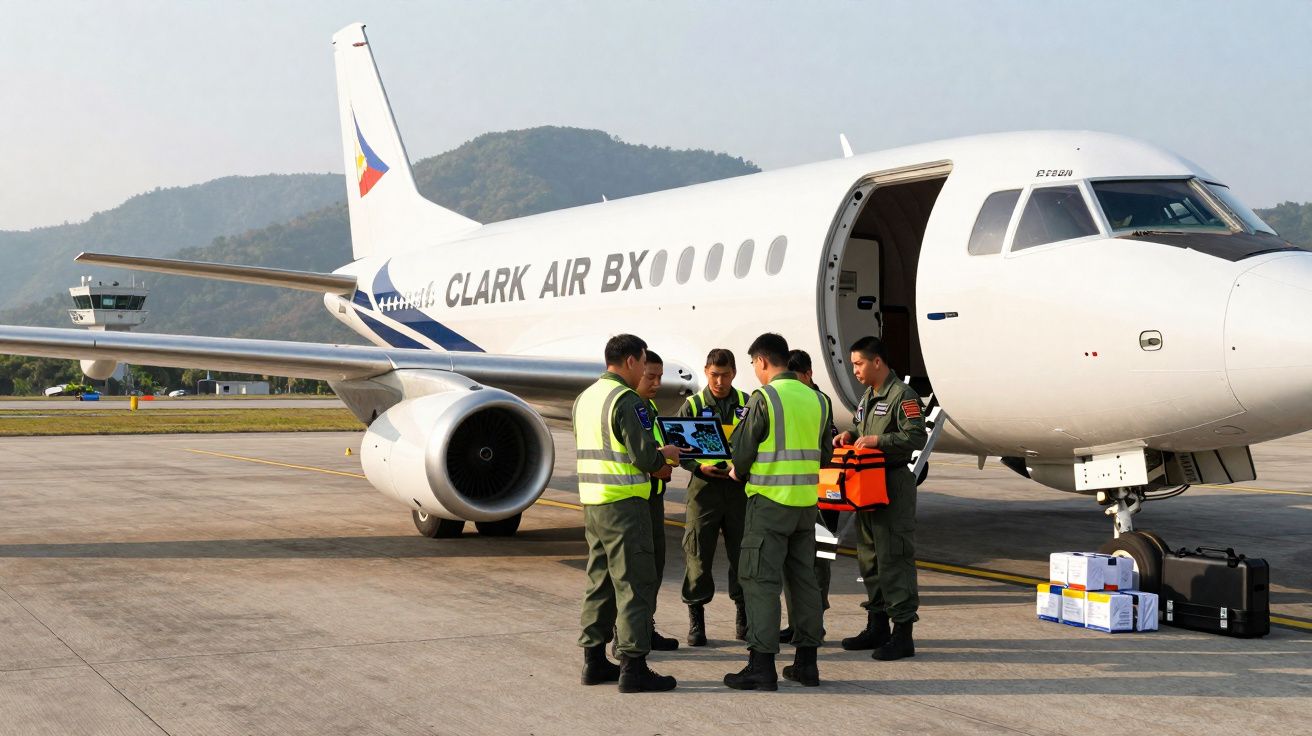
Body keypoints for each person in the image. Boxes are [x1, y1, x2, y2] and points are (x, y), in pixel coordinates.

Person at [573, 334, 684, 692]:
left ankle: (593, 661)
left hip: (594, 503)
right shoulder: (626, 400)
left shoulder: (585, 398)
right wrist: (664, 456)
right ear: (633, 361)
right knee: (634, 584)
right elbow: (643, 456)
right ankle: (634, 667)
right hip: (625, 504)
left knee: (599, 581)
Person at [723, 333, 832, 690]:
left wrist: (740, 469)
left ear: (763, 361)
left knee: (760, 582)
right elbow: (826, 455)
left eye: (754, 364)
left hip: (770, 503)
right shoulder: (818, 400)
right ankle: (807, 664)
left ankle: (762, 665)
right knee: (804, 583)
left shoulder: (765, 398)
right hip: (805, 506)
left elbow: (742, 452)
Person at [834, 335, 927, 661]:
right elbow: (862, 430)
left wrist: (879, 440)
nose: (854, 369)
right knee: (870, 556)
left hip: (892, 484)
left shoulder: (903, 396)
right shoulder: (868, 397)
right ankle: (877, 625)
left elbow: (916, 435)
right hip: (867, 485)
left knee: (895, 556)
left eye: (858, 363)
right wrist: (852, 435)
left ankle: (903, 633)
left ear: (877, 362)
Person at [678, 348, 751, 646]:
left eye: (725, 375)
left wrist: (741, 467)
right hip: (704, 492)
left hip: (738, 491)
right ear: (706, 371)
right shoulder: (692, 405)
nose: (719, 381)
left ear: (733, 373)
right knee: (697, 555)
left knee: (743, 556)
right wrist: (699, 466)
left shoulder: (748, 404)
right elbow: (680, 449)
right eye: (713, 375)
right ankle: (697, 619)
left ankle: (743, 617)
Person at [779, 348, 840, 643]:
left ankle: (816, 619)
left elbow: (825, 451)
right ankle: (796, 622)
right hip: (799, 495)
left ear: (808, 374)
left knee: (821, 560)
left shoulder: (820, 401)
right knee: (794, 562)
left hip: (824, 495)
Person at [635, 351, 680, 651]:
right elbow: (638, 453)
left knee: (654, 567)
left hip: (654, 497)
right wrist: (660, 460)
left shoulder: (649, 406)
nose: (657, 383)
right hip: (635, 500)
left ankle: (645, 627)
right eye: (650, 376)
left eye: (660, 377)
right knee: (636, 572)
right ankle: (630, 634)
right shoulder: (628, 406)